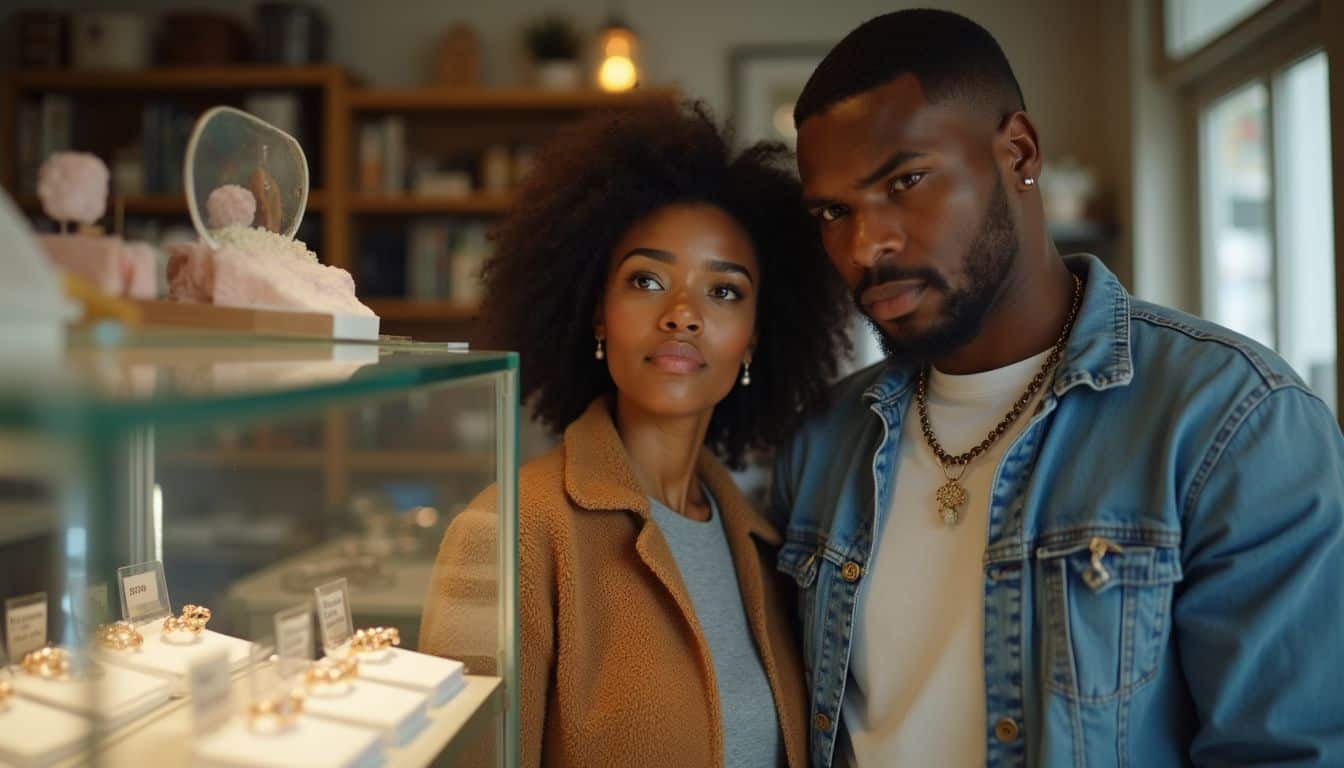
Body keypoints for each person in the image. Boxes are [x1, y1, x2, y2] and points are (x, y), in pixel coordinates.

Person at [772, 9, 1344, 767]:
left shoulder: (1231, 421)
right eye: (833, 212)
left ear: (1018, 153)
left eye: (906, 181)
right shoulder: (822, 441)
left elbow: (1285, 752)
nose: (864, 245)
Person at [419, 101, 851, 768]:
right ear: (598, 313)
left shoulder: (766, 548)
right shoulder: (508, 538)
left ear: (755, 340)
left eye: (725, 292)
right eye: (646, 280)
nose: (682, 314)